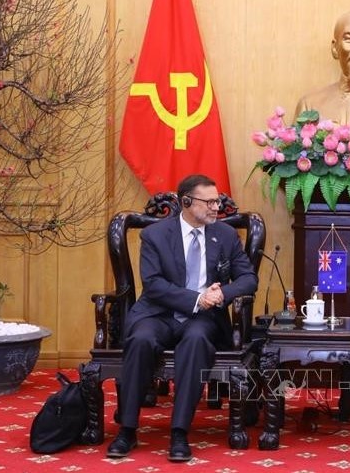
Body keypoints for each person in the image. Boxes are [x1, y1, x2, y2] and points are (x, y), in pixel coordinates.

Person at [106, 174, 258, 462]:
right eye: (209, 202)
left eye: (217, 201)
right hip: (159, 312)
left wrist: (221, 294)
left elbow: (248, 279)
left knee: (196, 340)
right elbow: (153, 284)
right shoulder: (155, 235)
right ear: (186, 201)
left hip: (204, 318)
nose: (216, 207)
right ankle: (127, 429)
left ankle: (179, 432)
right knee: (141, 339)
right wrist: (196, 299)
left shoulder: (225, 235)